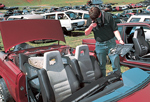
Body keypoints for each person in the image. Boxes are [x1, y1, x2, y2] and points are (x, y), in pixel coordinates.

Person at [85, 7, 124, 76]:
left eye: (96, 18)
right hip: (99, 45)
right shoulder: (91, 19)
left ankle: (118, 78)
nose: (95, 20)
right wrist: (91, 26)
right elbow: (86, 33)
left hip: (111, 43)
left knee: (115, 63)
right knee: (101, 65)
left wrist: (120, 40)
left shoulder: (108, 16)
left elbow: (115, 30)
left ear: (100, 14)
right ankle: (103, 80)